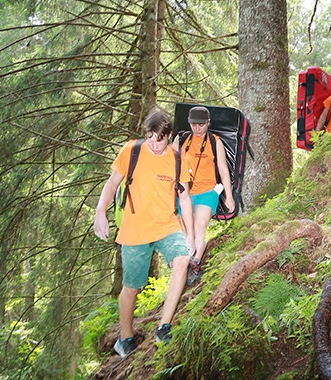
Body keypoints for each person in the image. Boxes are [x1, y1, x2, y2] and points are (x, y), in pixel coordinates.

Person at [93, 108, 195, 358]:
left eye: (159, 139)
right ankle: (125, 338)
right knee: (132, 287)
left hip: (167, 225)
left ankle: (164, 327)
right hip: (135, 229)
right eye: (150, 138)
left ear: (169, 135)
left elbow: (185, 197)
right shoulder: (132, 151)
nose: (154, 144)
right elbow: (112, 183)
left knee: (182, 261)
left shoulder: (178, 159)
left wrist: (190, 235)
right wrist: (100, 213)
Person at [173, 106, 234, 286]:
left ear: (208, 123)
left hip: (208, 191)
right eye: (194, 124)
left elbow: (223, 170)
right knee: (185, 230)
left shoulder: (216, 142)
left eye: (201, 125)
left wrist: (229, 196)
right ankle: (185, 263)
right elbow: (169, 164)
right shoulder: (182, 139)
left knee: (200, 226)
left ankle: (196, 263)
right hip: (184, 192)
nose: (197, 128)